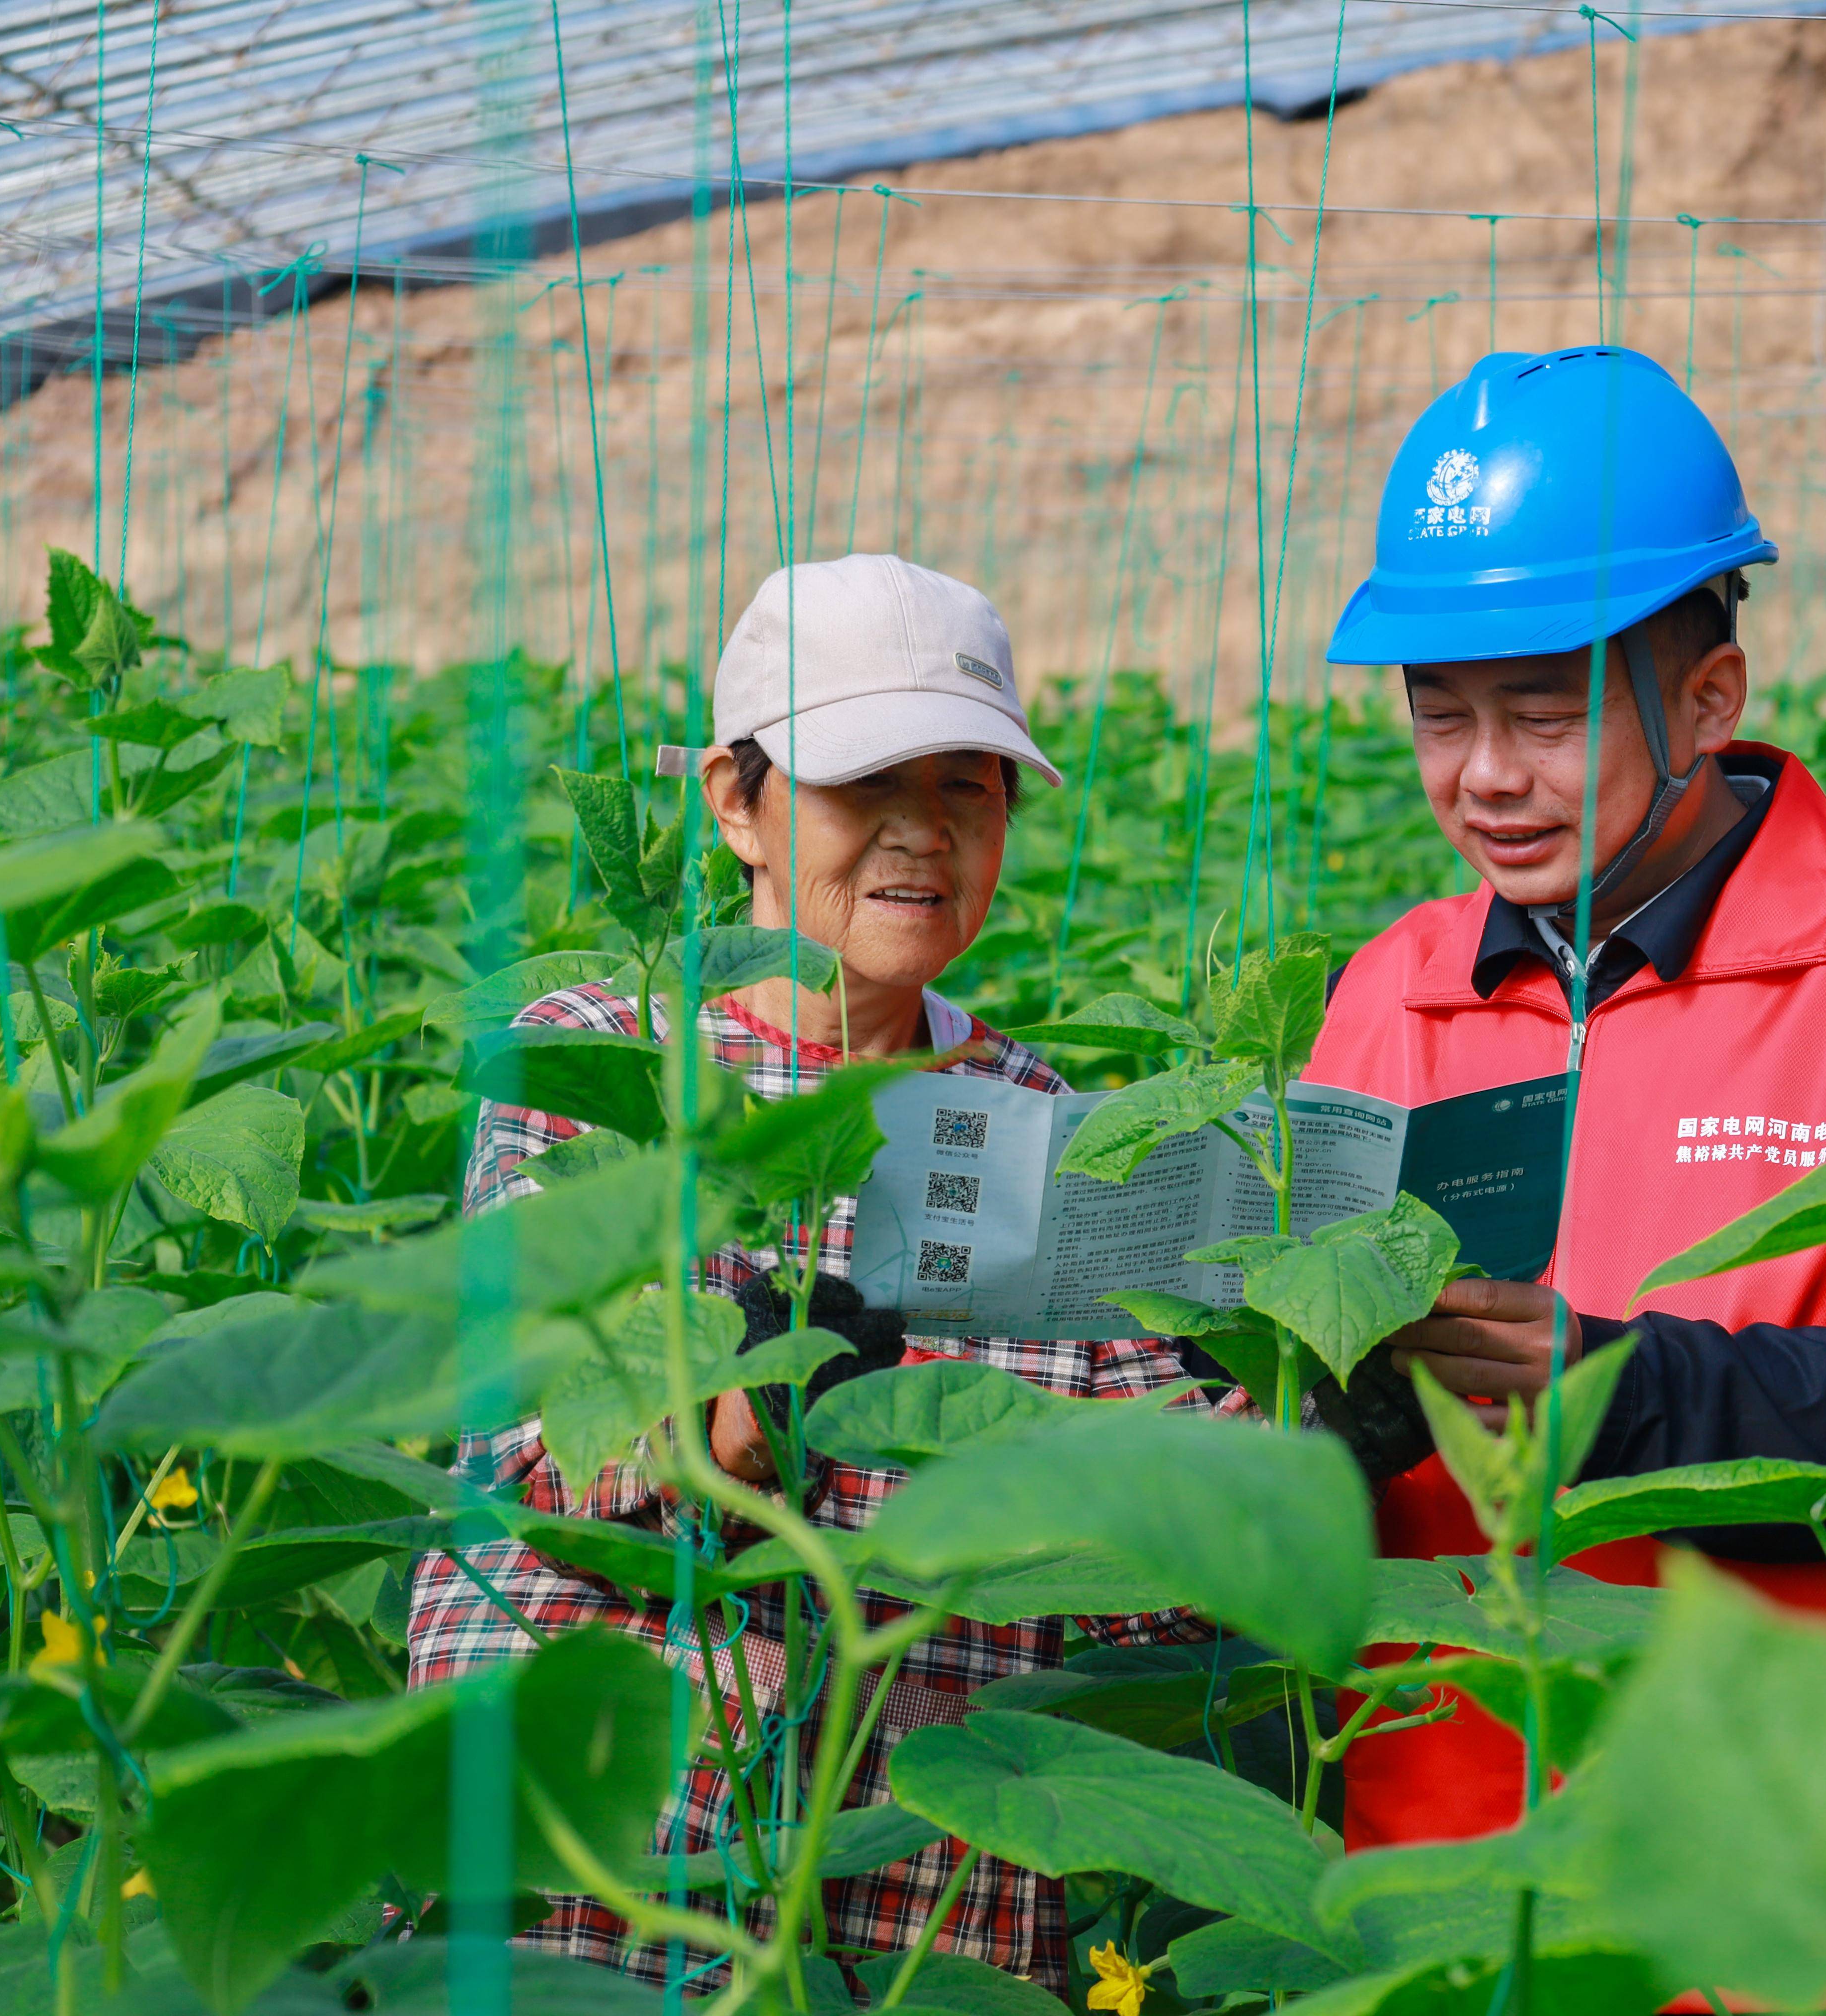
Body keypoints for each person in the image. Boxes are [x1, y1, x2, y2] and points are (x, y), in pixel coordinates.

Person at [405, 555, 1230, 1994]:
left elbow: (1150, 1597)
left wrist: (1279, 1422)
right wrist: (733, 1398)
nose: (923, 836)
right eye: (865, 785)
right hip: (616, 1886)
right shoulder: (604, 1058)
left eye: (968, 787)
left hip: (927, 1907)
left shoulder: (1034, 1119)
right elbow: (542, 1457)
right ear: (738, 803)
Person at [1303, 347, 1826, 1850]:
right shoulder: (1390, 991)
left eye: (1546, 714)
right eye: (1440, 717)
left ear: (1708, 695)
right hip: (1450, 1872)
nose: (1487, 780)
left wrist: (1607, 1384)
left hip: (1816, 1889)